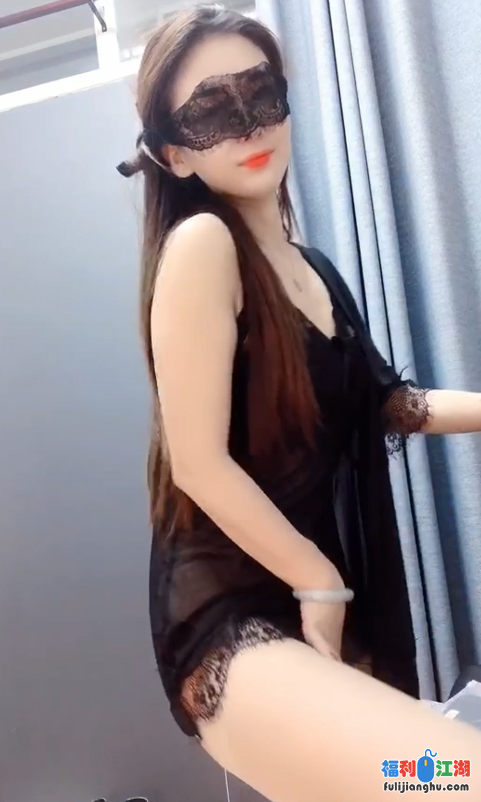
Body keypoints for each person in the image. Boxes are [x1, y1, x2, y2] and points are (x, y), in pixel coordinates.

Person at [117, 5, 481, 800]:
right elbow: (197, 463)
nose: (249, 125)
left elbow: (391, 404)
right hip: (232, 622)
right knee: (458, 778)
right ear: (174, 153)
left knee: (423, 784)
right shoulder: (202, 247)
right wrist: (319, 581)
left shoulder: (311, 266)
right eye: (211, 110)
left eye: (260, 93)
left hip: (313, 602)